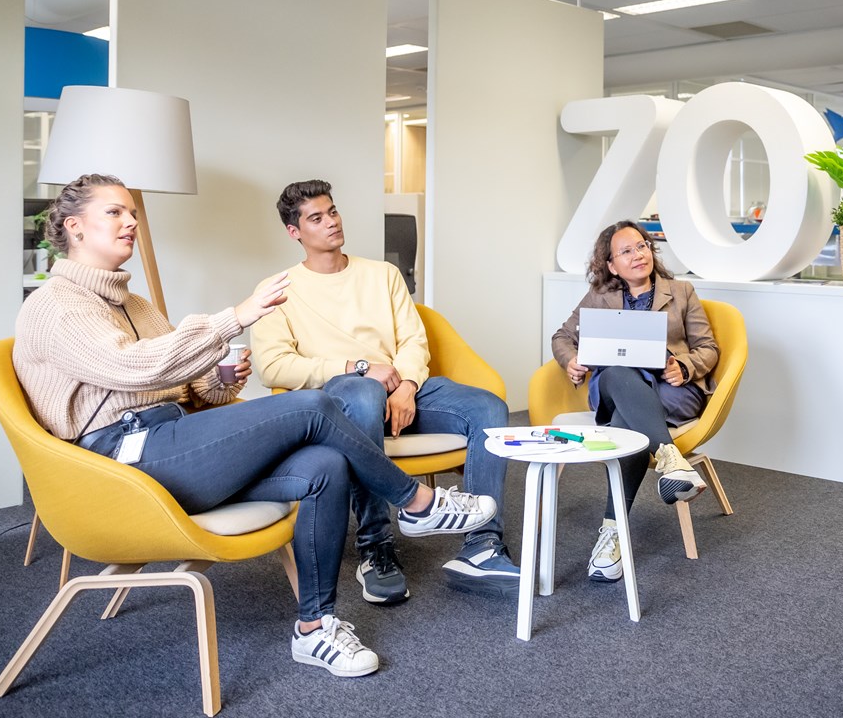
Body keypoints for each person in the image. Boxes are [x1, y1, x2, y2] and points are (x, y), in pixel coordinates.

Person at [13, 174, 497, 678]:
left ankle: (315, 628)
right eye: (114, 212)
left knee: (324, 466)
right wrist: (236, 317)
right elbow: (134, 368)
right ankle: (416, 503)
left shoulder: (133, 304)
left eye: (131, 212)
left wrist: (218, 381)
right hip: (122, 465)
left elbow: (184, 385)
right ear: (74, 227)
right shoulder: (55, 306)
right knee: (313, 406)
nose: (131, 221)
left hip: (174, 444)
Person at [251, 180, 517, 602]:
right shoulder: (279, 290)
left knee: (488, 408)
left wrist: (407, 386)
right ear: (294, 231)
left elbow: (413, 340)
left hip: (403, 390)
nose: (331, 222)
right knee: (362, 393)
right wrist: (357, 368)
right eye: (316, 218)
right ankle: (375, 546)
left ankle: (482, 545)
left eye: (332, 211)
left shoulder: (383, 274)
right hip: (343, 400)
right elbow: (273, 366)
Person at [551, 221, 718, 582]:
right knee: (616, 373)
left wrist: (685, 366)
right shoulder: (599, 296)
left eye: (641, 246)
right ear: (611, 265)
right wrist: (571, 360)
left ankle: (612, 533)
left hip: (670, 390)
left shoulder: (682, 291)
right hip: (617, 388)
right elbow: (562, 337)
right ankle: (671, 459)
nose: (638, 254)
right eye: (626, 251)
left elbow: (708, 348)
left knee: (627, 425)